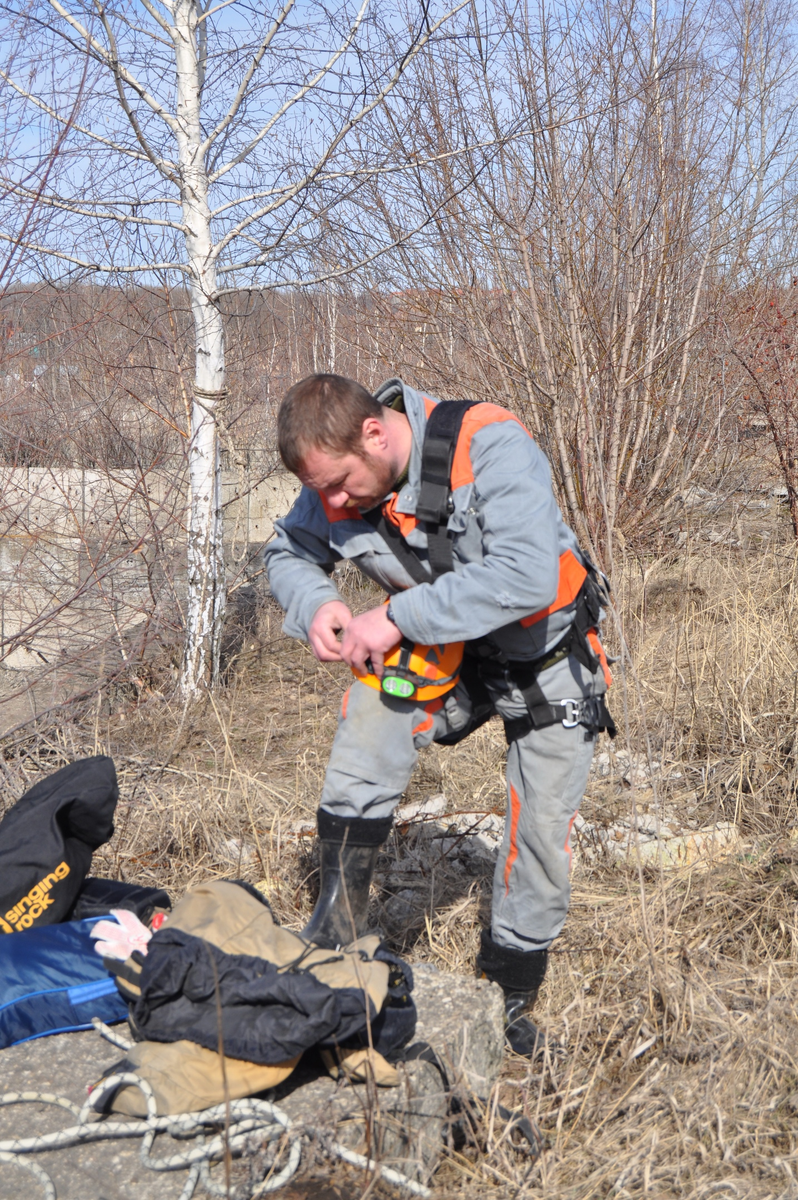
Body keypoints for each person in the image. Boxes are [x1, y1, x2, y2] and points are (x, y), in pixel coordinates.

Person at [264, 373, 614, 1056]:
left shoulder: (489, 443)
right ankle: (337, 939)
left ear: (374, 434)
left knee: (541, 830)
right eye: (318, 491)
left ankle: (507, 993)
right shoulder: (336, 480)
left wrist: (395, 616)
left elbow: (526, 576)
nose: (330, 504)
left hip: (544, 658)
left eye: (338, 486)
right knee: (370, 715)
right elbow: (287, 552)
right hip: (444, 653)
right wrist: (317, 603)